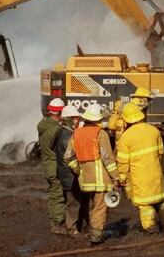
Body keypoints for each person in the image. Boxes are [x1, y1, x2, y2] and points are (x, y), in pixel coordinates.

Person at [64, 103, 120, 244]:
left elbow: (68, 157)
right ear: (98, 119)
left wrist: (78, 169)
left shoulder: (76, 133)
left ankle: (91, 231)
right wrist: (116, 177)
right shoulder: (101, 134)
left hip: (85, 181)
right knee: (100, 208)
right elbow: (108, 159)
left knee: (91, 206)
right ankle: (95, 237)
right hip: (101, 180)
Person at [116, 102, 164, 234]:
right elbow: (161, 153)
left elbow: (123, 162)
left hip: (140, 178)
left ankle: (151, 230)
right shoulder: (153, 130)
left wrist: (122, 177)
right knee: (161, 201)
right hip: (156, 175)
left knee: (145, 205)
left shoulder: (125, 137)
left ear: (126, 119)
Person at [38, 98, 71, 235]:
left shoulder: (43, 125)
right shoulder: (56, 130)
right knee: (58, 195)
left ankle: (53, 221)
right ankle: (58, 224)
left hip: (47, 165)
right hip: (54, 166)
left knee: (52, 194)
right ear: (60, 113)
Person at [54, 104, 89, 235]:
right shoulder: (68, 136)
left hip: (66, 175)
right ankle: (72, 229)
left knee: (76, 201)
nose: (77, 121)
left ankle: (78, 226)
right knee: (74, 203)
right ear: (68, 119)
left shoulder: (63, 132)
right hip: (71, 176)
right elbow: (72, 157)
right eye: (75, 118)